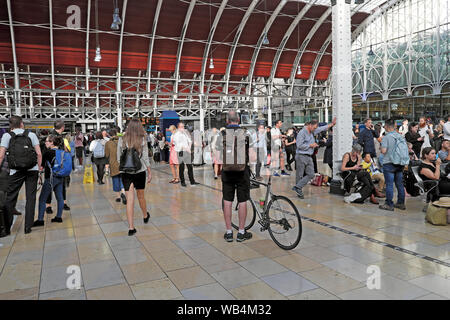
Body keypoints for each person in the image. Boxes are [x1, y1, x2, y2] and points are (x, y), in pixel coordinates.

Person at [0, 116, 42, 235]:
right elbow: (39, 154)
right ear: (22, 124)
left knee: (10, 198)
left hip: (15, 171)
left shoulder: (7, 136)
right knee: (31, 197)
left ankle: (7, 228)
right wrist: (39, 169)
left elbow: (1, 156)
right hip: (32, 170)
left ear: (10, 125)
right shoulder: (31, 135)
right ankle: (27, 227)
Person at [221, 110, 252, 242]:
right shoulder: (245, 134)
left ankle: (229, 233)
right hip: (242, 171)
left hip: (227, 171)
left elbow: (216, 155)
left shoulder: (221, 134)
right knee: (242, 200)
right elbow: (251, 154)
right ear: (238, 120)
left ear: (227, 120)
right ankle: (241, 232)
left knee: (227, 201)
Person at [117, 119, 152, 236]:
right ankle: (145, 215)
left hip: (126, 172)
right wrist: (149, 171)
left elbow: (119, 158)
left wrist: (123, 168)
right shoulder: (142, 139)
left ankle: (131, 228)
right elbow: (145, 157)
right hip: (140, 171)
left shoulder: (122, 139)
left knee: (130, 201)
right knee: (141, 196)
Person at [293, 118, 336, 199]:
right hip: (301, 156)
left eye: (316, 128)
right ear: (310, 125)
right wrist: (310, 145)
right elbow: (299, 145)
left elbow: (321, 128)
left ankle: (297, 186)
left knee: (311, 174)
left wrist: (331, 124)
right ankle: (299, 190)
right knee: (300, 175)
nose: (315, 129)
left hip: (309, 156)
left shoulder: (313, 131)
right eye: (314, 127)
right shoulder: (302, 133)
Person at [33, 135, 66, 226]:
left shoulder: (47, 153)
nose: (45, 142)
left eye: (47, 141)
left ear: (52, 143)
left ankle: (40, 220)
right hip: (60, 177)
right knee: (60, 197)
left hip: (50, 178)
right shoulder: (62, 152)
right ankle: (58, 217)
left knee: (42, 199)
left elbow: (41, 165)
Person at [379, 118, 408, 211]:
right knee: (399, 184)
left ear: (387, 126)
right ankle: (401, 203)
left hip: (389, 163)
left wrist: (381, 147)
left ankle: (389, 204)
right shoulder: (400, 136)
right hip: (400, 163)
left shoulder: (386, 137)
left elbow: (383, 151)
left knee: (390, 184)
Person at [45, 120, 71, 213]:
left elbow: (46, 149)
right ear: (63, 127)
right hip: (58, 163)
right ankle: (61, 203)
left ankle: (49, 205)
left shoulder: (50, 136)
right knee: (59, 183)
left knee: (51, 184)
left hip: (51, 163)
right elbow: (66, 150)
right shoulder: (59, 138)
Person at [172, 122, 199, 187]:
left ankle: (192, 181)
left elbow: (189, 141)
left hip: (187, 152)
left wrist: (189, 148)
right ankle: (182, 182)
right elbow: (177, 144)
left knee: (190, 167)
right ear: (178, 127)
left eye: (183, 127)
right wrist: (185, 147)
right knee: (181, 168)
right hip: (181, 152)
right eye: (181, 127)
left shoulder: (185, 133)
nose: (183, 128)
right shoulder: (176, 135)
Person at [105, 128, 127, 204]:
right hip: (123, 163)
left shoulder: (108, 143)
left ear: (109, 135)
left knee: (115, 179)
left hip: (113, 163)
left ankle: (118, 197)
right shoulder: (122, 140)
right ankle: (123, 193)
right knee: (122, 178)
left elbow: (107, 155)